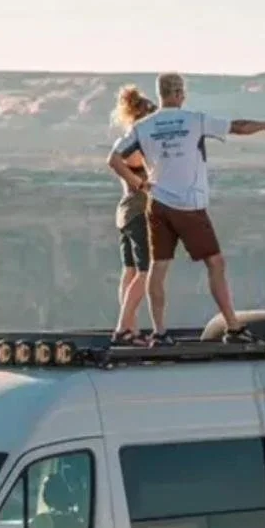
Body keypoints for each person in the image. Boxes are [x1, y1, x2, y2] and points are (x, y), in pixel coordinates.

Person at [107, 72, 265, 344]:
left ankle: (160, 332)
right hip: (189, 204)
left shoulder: (144, 126)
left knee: (157, 268)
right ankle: (233, 327)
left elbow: (114, 159)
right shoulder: (194, 120)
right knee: (215, 263)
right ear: (179, 93)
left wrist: (139, 184)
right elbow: (237, 126)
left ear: (160, 93)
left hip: (157, 204)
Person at [108, 85, 159, 344]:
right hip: (138, 211)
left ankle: (131, 328)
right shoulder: (135, 147)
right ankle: (123, 329)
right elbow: (135, 164)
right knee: (145, 270)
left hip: (125, 212)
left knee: (129, 271)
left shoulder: (124, 141)